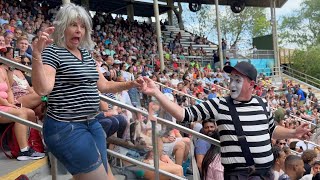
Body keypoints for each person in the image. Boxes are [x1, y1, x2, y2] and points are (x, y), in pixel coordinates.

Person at [140, 61, 312, 179]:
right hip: (239, 175)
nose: (232, 84)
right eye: (231, 79)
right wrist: (156, 92)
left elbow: (272, 129)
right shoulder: (219, 104)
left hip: (265, 173)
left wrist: (293, 132)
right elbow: (183, 114)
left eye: (238, 80)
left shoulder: (262, 103)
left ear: (252, 85)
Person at [31, 3, 142, 180]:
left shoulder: (86, 54)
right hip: (66, 127)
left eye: (82, 26)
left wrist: (130, 84)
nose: (79, 30)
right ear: (63, 27)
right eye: (73, 25)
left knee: (104, 175)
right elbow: (43, 88)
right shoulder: (53, 51)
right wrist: (37, 56)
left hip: (93, 123)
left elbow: (104, 86)